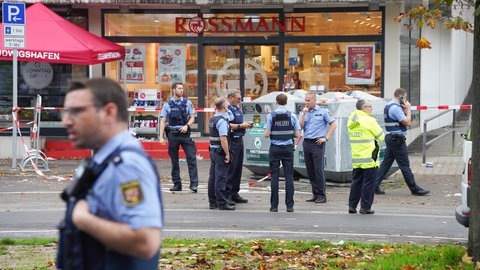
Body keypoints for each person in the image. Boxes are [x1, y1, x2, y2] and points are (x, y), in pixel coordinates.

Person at [57, 78, 163, 269]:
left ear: (109, 112)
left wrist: (84, 220)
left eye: (77, 111)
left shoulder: (126, 166)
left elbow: (146, 242)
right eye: (65, 112)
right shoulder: (104, 160)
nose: (66, 121)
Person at [374, 88, 430, 196]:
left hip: (392, 138)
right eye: (405, 97)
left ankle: (374, 186)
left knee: (386, 164)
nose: (406, 100)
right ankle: (414, 189)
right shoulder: (395, 108)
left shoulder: (389, 105)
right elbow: (407, 122)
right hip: (397, 140)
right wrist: (408, 109)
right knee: (404, 165)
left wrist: (404, 109)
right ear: (401, 97)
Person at [264, 93, 301, 212]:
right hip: (287, 149)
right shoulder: (292, 116)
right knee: (289, 177)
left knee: (274, 177)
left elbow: (266, 134)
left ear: (276, 102)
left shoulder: (271, 116)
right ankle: (289, 206)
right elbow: (297, 134)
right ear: (286, 102)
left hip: (275, 148)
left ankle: (274, 206)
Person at [159, 82, 199, 192]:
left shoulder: (187, 103)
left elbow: (192, 117)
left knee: (191, 158)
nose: (181, 90)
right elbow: (162, 121)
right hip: (172, 134)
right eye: (179, 88)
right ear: (173, 90)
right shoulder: (167, 104)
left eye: (182, 88)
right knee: (174, 161)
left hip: (185, 133)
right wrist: (161, 137)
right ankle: (177, 184)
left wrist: (187, 125)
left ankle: (194, 184)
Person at [347, 99, 385, 215]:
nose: (371, 109)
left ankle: (352, 206)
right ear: (363, 108)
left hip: (357, 157)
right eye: (369, 106)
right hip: (369, 158)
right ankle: (365, 207)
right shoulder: (369, 120)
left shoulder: (351, 120)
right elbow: (381, 136)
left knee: (356, 182)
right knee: (369, 183)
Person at [299, 92, 337, 203]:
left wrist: (326, 137)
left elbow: (333, 124)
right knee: (310, 169)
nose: (306, 103)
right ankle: (315, 193)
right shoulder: (304, 112)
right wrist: (303, 115)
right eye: (305, 100)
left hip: (317, 143)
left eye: (308, 100)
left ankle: (322, 194)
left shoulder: (323, 112)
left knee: (318, 169)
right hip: (307, 142)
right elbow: (299, 126)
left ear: (314, 100)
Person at [225, 89, 253, 205]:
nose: (239, 100)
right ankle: (228, 194)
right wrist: (242, 125)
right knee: (231, 168)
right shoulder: (227, 109)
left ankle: (235, 193)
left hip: (239, 139)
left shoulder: (237, 108)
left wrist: (245, 124)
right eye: (238, 98)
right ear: (231, 98)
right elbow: (227, 124)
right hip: (232, 140)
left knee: (238, 169)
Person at [207, 97, 235, 210]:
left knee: (213, 177)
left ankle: (212, 202)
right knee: (221, 178)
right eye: (227, 105)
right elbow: (223, 138)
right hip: (220, 152)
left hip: (213, 150)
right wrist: (227, 153)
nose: (228, 106)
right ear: (224, 107)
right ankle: (222, 203)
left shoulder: (213, 119)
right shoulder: (222, 121)